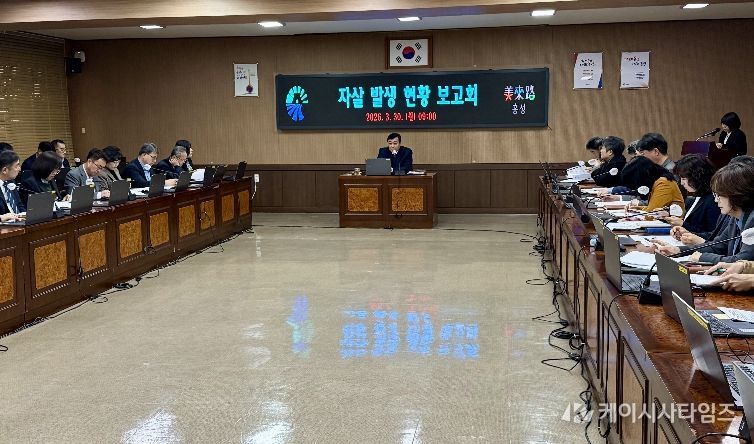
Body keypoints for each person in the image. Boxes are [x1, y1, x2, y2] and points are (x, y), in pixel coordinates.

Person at [655, 161, 754, 264]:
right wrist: (678, 250)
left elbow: (741, 261)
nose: (716, 200)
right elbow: (717, 246)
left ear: (737, 194)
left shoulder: (752, 219)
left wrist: (701, 257)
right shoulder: (735, 217)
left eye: (719, 195)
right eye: (715, 195)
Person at [663, 154, 720, 237]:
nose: (682, 183)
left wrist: (683, 224)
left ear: (696, 177)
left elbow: (712, 235)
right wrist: (668, 214)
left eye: (684, 179)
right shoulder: (697, 197)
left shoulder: (713, 201)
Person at [0, 150, 25, 222]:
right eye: (17, 166)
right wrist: (2, 217)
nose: (19, 169)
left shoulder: (11, 182)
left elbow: (19, 205)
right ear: (5, 170)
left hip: (18, 222)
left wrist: (25, 215)